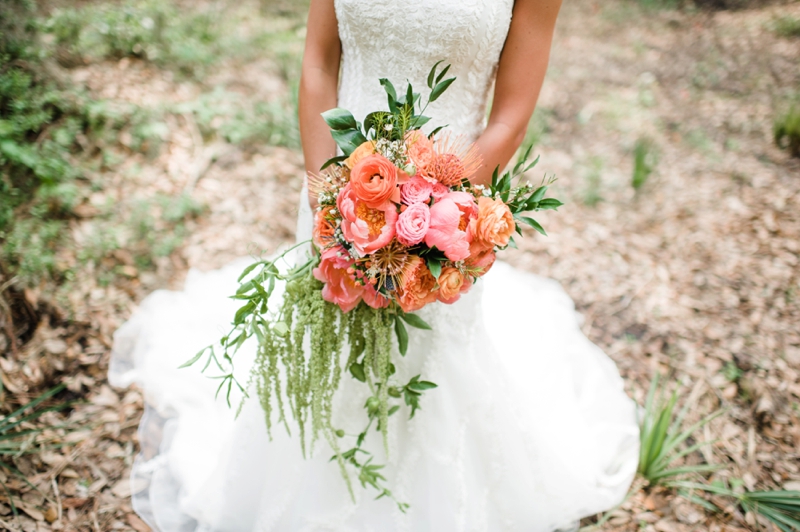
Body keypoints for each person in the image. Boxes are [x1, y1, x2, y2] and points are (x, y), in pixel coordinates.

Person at [110, 0, 640, 530]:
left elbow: (511, 115)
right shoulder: (330, 197)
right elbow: (318, 63)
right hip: (336, 194)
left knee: (429, 352)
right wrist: (328, 196)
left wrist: (434, 205)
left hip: (449, 214)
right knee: (327, 348)